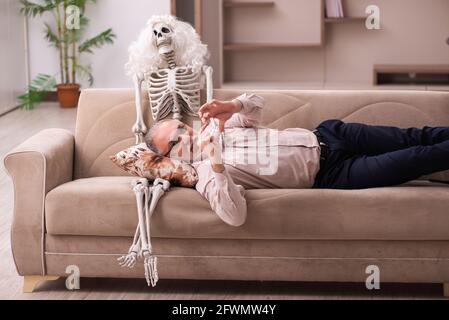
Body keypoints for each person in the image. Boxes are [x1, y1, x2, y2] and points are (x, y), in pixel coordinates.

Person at [145, 93, 449, 227]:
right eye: (174, 143)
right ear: (169, 158)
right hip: (334, 174)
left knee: (415, 137)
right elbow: (233, 216)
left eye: (182, 129)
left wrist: (231, 104)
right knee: (417, 158)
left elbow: (257, 106)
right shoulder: (207, 175)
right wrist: (217, 163)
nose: (185, 137)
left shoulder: (219, 127)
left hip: (332, 133)